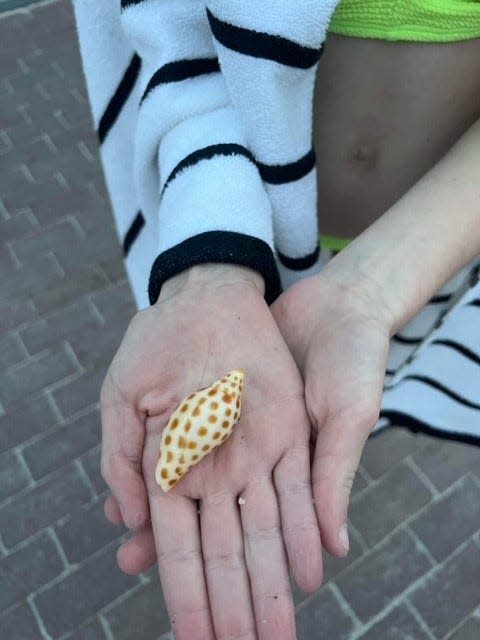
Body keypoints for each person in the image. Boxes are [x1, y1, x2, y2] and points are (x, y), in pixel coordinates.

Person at [73, 1, 480, 638]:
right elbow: (169, 24)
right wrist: (212, 261)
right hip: (230, 230)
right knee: (328, 406)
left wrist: (374, 290)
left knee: (355, 394)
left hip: (430, 261)